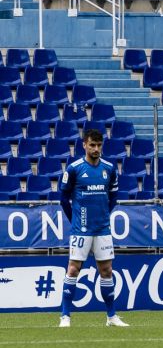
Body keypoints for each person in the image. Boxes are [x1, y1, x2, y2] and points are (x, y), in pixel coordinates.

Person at [58, 129, 127, 327]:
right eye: (92, 145)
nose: (96, 149)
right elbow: (64, 199)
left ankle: (111, 316)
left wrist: (105, 214)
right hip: (81, 229)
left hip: (103, 229)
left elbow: (113, 197)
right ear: (84, 145)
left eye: (99, 145)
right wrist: (75, 220)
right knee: (73, 269)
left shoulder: (109, 168)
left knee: (106, 271)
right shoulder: (74, 169)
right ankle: (65, 316)